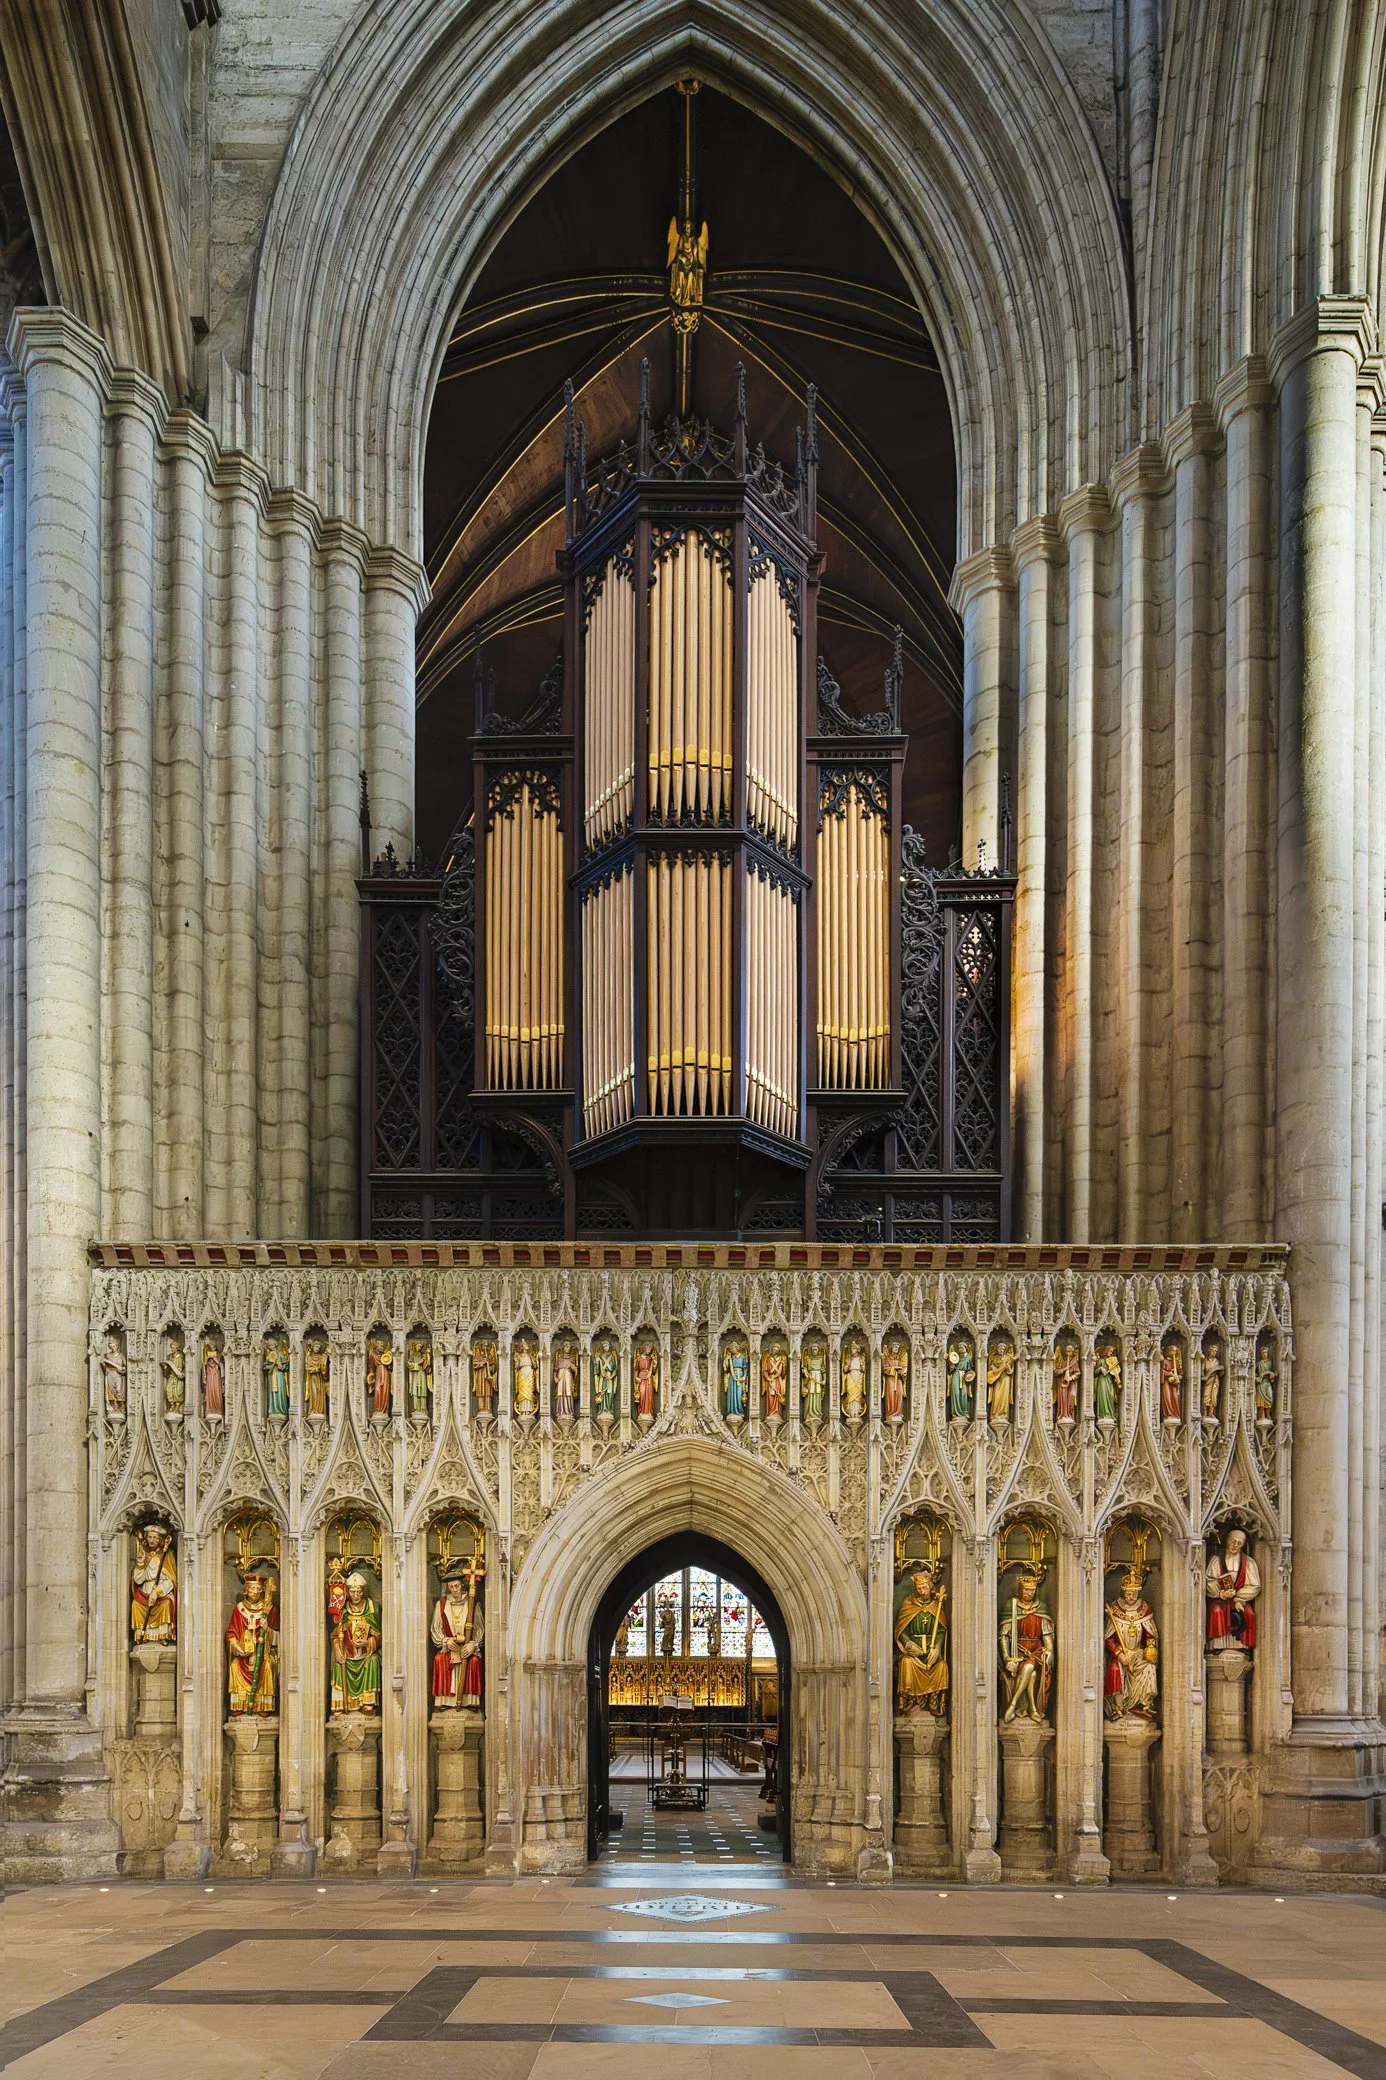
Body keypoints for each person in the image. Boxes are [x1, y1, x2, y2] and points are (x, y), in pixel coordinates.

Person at [999, 1569, 1055, 1722]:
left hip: (1035, 1652)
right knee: (1033, 1674)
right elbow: (1004, 1636)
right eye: (1026, 1590)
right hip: (1017, 1651)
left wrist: (1049, 1652)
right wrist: (1007, 1659)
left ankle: (1013, 1705)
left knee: (1030, 1668)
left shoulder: (1040, 1608)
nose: (1029, 1593)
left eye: (1032, 1590)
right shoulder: (1011, 1607)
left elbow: (1047, 1637)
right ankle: (1032, 1708)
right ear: (1020, 1590)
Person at [1104, 1568, 1159, 1719]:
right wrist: (1120, 1654)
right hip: (1121, 1652)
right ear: (1123, 1592)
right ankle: (1118, 1708)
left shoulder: (1145, 1609)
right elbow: (1108, 1639)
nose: (1131, 1597)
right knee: (1116, 1669)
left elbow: (1150, 1633)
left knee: (1149, 1666)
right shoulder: (1115, 1609)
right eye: (1128, 1593)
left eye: (1134, 1593)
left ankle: (1144, 1704)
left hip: (1137, 1651)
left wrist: (1150, 1647)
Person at [894, 1563, 948, 1714]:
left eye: (924, 1588)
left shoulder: (936, 1606)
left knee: (942, 1667)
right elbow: (901, 1628)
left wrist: (937, 1648)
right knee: (906, 1662)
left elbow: (941, 1631)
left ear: (931, 1588)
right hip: (914, 1651)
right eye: (919, 1589)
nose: (921, 1591)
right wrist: (908, 1644)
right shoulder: (908, 1604)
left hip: (930, 1653)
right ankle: (909, 1699)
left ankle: (933, 1701)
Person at [226, 1566, 279, 1715]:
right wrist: (235, 1645)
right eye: (252, 1588)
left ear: (262, 1590)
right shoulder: (239, 1609)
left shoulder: (269, 1609)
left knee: (268, 1666)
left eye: (258, 1588)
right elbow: (231, 1632)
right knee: (235, 1666)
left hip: (263, 1654)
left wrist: (267, 1629)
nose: (255, 1592)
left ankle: (262, 1706)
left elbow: (279, 1635)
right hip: (244, 1653)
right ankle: (240, 1705)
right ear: (246, 1590)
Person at [430, 1562, 483, 1709]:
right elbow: (436, 1628)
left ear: (462, 1585)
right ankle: (445, 1701)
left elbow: (479, 1628)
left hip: (467, 1647)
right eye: (451, 1587)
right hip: (450, 1646)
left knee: (474, 1662)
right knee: (440, 1659)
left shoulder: (472, 1603)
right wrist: (445, 1641)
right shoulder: (441, 1604)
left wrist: (473, 1644)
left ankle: (470, 1701)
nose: (455, 1590)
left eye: (457, 1586)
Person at [331, 1571, 382, 1713]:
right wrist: (337, 1650)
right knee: (337, 1666)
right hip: (348, 1653)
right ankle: (341, 1703)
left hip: (365, 1655)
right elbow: (335, 1635)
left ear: (363, 1592)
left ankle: (368, 1702)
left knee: (373, 1661)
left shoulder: (373, 1608)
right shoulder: (343, 1610)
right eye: (352, 1592)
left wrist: (367, 1643)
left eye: (358, 1592)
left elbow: (379, 1635)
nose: (355, 1595)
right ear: (347, 1592)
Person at [1205, 1528, 1259, 1652]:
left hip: (1240, 1599)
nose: (1235, 1545)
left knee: (1249, 1614)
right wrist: (1221, 1593)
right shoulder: (1216, 1561)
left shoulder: (1249, 1563)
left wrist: (1239, 1598)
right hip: (1220, 1598)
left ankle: (1241, 1647)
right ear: (1227, 1541)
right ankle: (1217, 1645)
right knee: (1216, 1610)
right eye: (1233, 1541)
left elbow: (1254, 1586)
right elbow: (1209, 1581)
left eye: (1239, 1543)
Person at [130, 1523, 177, 1645]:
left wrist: (157, 1592)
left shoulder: (167, 1555)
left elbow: (171, 1580)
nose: (152, 1540)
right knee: (136, 1605)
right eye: (150, 1537)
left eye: (155, 1538)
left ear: (161, 1539)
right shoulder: (143, 1554)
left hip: (162, 1592)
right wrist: (140, 1563)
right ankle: (143, 1634)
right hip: (144, 1591)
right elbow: (138, 1580)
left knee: (166, 1604)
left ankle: (162, 1634)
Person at [987, 1337, 1016, 1426]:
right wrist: (993, 1368)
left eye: (1003, 1349)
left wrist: (1007, 1367)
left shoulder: (1007, 1358)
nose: (1001, 1350)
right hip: (996, 1379)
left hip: (1005, 1379)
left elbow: (1010, 1371)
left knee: (1004, 1396)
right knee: (996, 1396)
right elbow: (990, 1368)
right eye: (1000, 1348)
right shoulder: (994, 1357)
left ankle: (1003, 1414)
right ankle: (995, 1414)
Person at [947, 1337, 975, 1423]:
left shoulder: (969, 1358)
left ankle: (963, 1412)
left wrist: (969, 1376)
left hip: (964, 1377)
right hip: (956, 1375)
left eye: (961, 1347)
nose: (959, 1349)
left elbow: (971, 1370)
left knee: (963, 1394)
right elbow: (951, 1370)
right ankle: (955, 1413)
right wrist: (952, 1366)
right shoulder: (956, 1358)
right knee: (955, 1393)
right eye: (958, 1347)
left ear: (965, 1348)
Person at [881, 1338, 908, 1424]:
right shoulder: (887, 1359)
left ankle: (898, 1413)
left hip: (898, 1380)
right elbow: (885, 1368)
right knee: (891, 1396)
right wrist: (894, 1369)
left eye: (898, 1347)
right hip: (891, 1380)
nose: (896, 1348)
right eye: (895, 1346)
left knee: (899, 1395)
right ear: (891, 1347)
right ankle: (890, 1413)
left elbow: (903, 1369)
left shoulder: (900, 1360)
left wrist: (903, 1372)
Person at [102, 1330, 127, 1417]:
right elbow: (104, 1364)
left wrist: (120, 1369)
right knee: (110, 1392)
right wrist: (105, 1367)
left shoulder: (121, 1356)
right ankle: (113, 1407)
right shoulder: (108, 1356)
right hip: (110, 1375)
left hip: (118, 1375)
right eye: (111, 1346)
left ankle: (121, 1408)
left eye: (114, 1346)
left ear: (117, 1346)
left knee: (119, 1390)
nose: (113, 1348)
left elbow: (125, 1367)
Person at [304, 1335, 330, 1420]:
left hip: (320, 1378)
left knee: (320, 1392)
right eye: (316, 1347)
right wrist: (315, 1369)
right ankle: (314, 1410)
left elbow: (324, 1367)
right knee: (314, 1393)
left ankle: (320, 1410)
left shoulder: (321, 1357)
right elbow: (307, 1368)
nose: (317, 1349)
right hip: (313, 1378)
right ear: (313, 1347)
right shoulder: (309, 1357)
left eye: (318, 1347)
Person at [800, 1342, 826, 1424]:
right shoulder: (808, 1358)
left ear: (818, 1350)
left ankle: (816, 1413)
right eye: (813, 1349)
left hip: (818, 1377)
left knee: (817, 1394)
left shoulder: (821, 1358)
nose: (814, 1351)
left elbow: (823, 1370)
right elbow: (803, 1369)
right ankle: (809, 1414)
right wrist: (804, 1370)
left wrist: (824, 1380)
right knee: (810, 1394)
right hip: (810, 1378)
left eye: (816, 1349)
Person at [201, 1337, 226, 1421]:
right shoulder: (207, 1356)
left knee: (216, 1392)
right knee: (210, 1392)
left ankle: (218, 1410)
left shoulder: (219, 1355)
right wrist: (205, 1361)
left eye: (214, 1347)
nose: (212, 1349)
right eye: (211, 1348)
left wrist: (216, 1361)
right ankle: (210, 1409)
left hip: (216, 1378)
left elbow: (222, 1367)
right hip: (210, 1377)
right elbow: (203, 1368)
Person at [1160, 1342, 1184, 1425]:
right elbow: (1162, 1371)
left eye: (1175, 1351)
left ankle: (1175, 1414)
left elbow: (1180, 1373)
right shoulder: (1165, 1361)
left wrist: (1178, 1377)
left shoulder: (1176, 1362)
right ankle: (1168, 1413)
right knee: (1167, 1397)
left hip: (1174, 1384)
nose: (1174, 1353)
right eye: (1173, 1351)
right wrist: (1170, 1374)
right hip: (1166, 1383)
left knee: (1175, 1397)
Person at [723, 1343, 749, 1420]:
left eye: (732, 1348)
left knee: (739, 1394)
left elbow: (745, 1367)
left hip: (739, 1376)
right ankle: (732, 1411)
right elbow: (726, 1369)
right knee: (731, 1393)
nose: (731, 1350)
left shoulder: (742, 1357)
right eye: (730, 1349)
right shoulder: (731, 1358)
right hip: (732, 1377)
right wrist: (726, 1360)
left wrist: (744, 1376)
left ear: (736, 1348)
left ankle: (739, 1411)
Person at [554, 1344, 578, 1421]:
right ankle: (560, 1411)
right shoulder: (560, 1358)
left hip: (568, 1376)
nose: (568, 1348)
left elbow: (575, 1370)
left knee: (568, 1392)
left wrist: (572, 1367)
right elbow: (555, 1369)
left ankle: (568, 1411)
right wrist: (555, 1377)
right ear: (563, 1348)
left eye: (569, 1347)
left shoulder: (572, 1358)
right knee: (560, 1393)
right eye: (566, 1347)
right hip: (561, 1377)